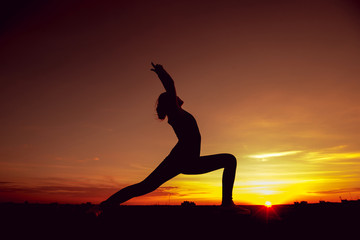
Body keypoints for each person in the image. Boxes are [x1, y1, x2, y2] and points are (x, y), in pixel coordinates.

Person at [101, 63, 238, 209]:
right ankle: (227, 204)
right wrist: (161, 72)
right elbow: (170, 85)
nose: (178, 97)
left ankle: (102, 206)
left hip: (188, 160)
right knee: (229, 160)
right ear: (172, 102)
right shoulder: (176, 113)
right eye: (174, 97)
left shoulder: (178, 114)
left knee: (145, 186)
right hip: (181, 159)